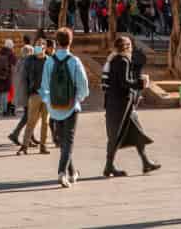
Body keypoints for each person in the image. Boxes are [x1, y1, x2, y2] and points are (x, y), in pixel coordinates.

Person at [102, 34, 160, 177]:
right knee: (114, 135)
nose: (131, 48)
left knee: (137, 133)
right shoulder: (122, 61)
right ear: (126, 47)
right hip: (120, 104)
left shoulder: (114, 60)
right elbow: (124, 82)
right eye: (130, 45)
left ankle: (146, 162)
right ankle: (109, 166)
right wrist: (141, 83)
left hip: (119, 104)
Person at [42, 26, 90, 187]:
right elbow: (83, 85)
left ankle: (73, 172)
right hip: (71, 106)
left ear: (57, 42)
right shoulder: (74, 61)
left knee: (63, 142)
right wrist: (78, 98)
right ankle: (62, 172)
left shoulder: (49, 61)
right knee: (68, 141)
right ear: (70, 42)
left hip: (54, 107)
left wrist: (49, 102)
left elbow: (44, 86)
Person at [0, 38, 18, 115]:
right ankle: (5, 110)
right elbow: (15, 63)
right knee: (5, 94)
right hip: (7, 76)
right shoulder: (11, 54)